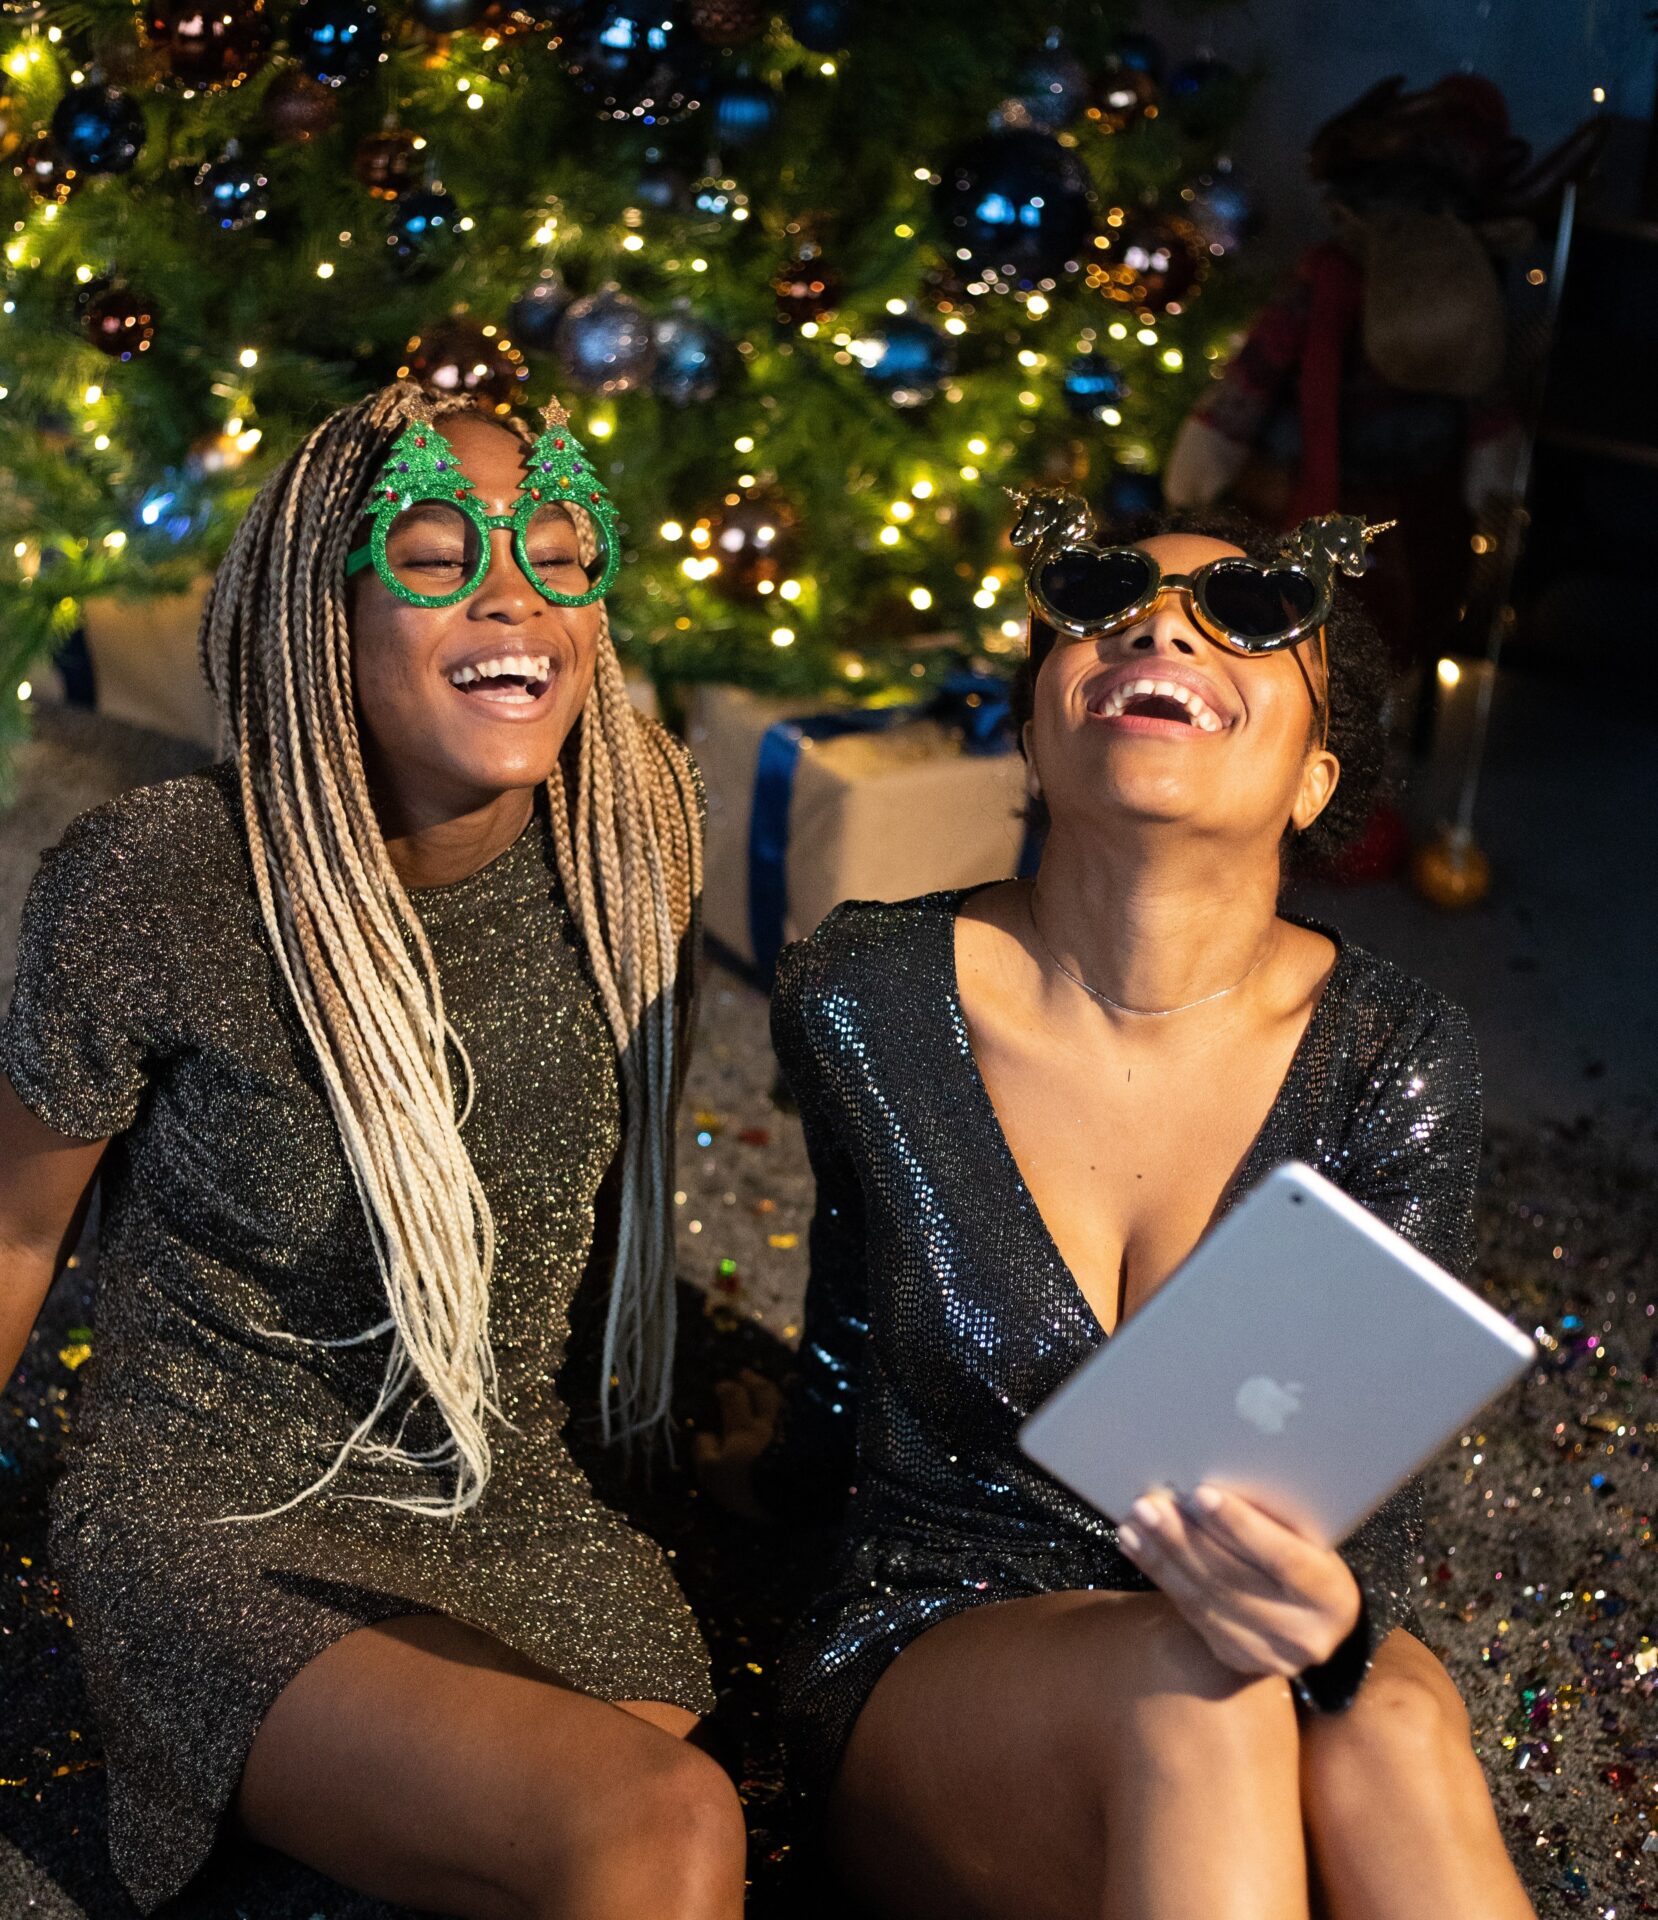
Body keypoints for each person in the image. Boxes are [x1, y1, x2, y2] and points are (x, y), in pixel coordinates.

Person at [700, 499, 1535, 1918]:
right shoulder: (868, 992)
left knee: (1391, 1724)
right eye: (1103, 607)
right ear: (1030, 729)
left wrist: (1333, 1638)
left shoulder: (1397, 1057)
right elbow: (842, 1340)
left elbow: (1357, 1482)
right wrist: (740, 1520)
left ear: (1316, 778)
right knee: (1199, 1696)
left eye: (1248, 622)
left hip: (1270, 1613)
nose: (1159, 626)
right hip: (947, 1626)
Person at [0, 385, 746, 1920]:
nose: (512, 596)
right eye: (432, 553)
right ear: (313, 621)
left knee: (608, 1809)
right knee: (661, 1826)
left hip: (496, 1491)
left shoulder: (637, 827)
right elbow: (14, 1234)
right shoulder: (166, 879)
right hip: (209, 1506)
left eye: (556, 554)